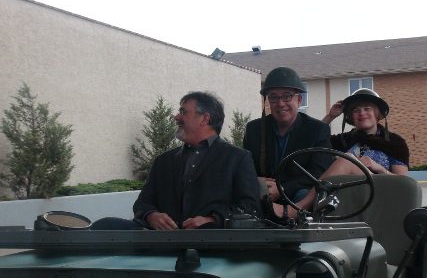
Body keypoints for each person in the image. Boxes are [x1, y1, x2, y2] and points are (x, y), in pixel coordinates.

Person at [92, 91, 260, 230]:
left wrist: (212, 219)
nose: (176, 117)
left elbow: (250, 207)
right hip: (162, 243)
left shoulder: (237, 158)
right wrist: (151, 215)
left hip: (210, 244)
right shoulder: (163, 161)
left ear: (205, 119)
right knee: (103, 226)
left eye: (183, 112)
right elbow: (143, 203)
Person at [274, 88, 410, 218]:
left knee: (348, 159)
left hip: (379, 192)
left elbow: (403, 184)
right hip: (346, 196)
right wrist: (330, 116)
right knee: (304, 190)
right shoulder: (343, 140)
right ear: (350, 117)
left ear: (377, 113)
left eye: (367, 109)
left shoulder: (395, 143)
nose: (362, 113)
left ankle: (297, 209)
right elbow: (314, 141)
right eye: (356, 110)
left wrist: (378, 168)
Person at [243, 67, 332, 208]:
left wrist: (283, 189)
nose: (280, 103)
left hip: (297, 201)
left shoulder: (317, 130)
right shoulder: (254, 129)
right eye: (273, 97)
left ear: (299, 100)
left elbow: (319, 172)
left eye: (287, 96)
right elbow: (246, 168)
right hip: (261, 195)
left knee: (305, 194)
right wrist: (257, 182)